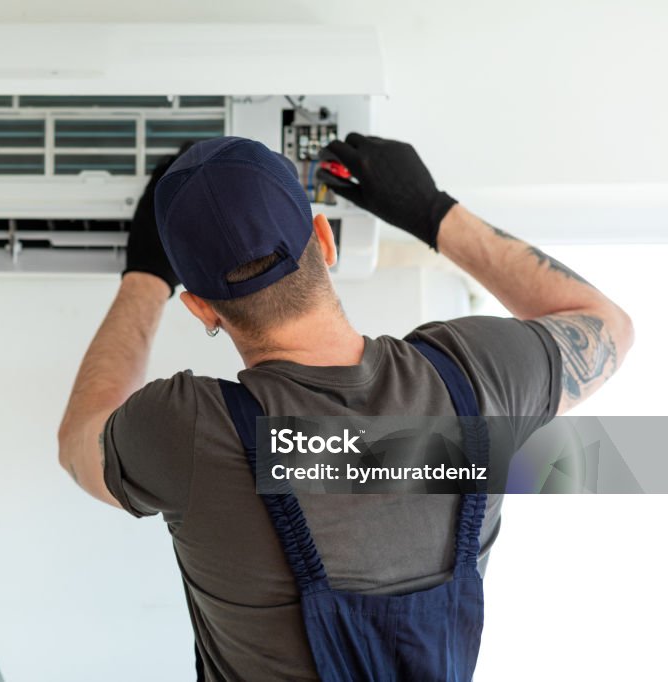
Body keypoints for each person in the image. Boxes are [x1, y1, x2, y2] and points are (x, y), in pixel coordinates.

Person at [57, 134, 633, 680]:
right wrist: (431, 212)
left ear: (201, 309)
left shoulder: (187, 429)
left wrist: (142, 279)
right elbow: (609, 326)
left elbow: (79, 445)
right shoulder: (477, 375)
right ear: (325, 239)